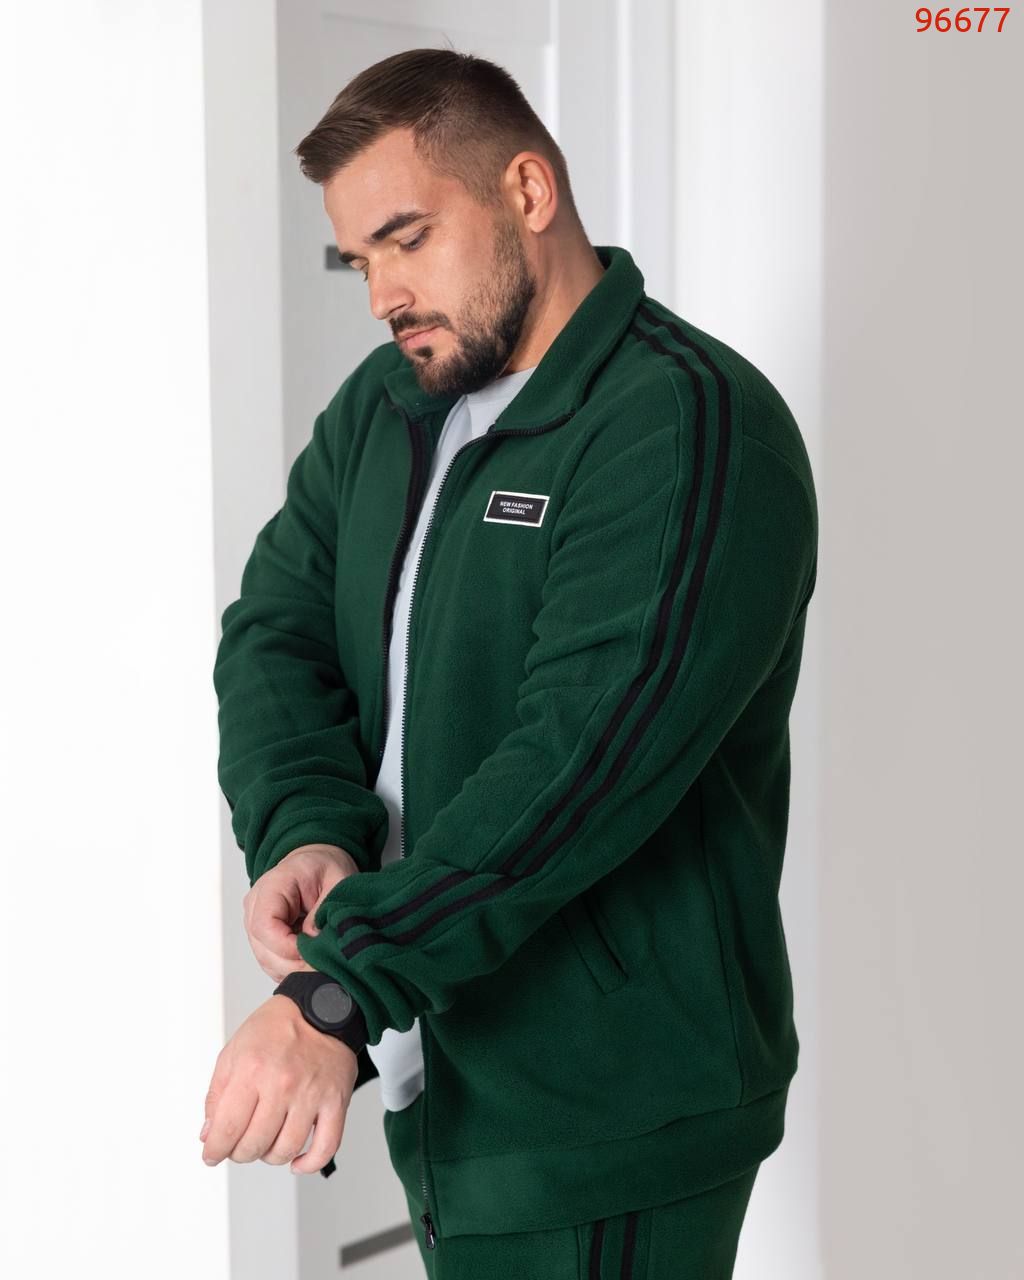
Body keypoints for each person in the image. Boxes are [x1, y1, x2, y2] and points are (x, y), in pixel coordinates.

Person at [201, 46, 818, 1279]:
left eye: (408, 238)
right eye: (359, 259)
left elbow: (576, 760)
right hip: (442, 1061)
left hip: (608, 1109)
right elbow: (275, 630)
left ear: (528, 191)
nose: (382, 294)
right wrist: (305, 826)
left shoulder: (684, 423)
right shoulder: (388, 408)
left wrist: (338, 990)